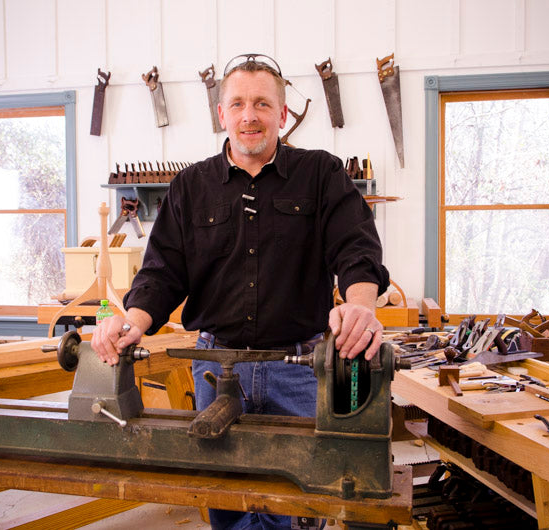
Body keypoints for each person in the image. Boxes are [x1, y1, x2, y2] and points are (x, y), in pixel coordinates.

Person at [91, 53, 390, 529]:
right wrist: (133, 322)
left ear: (283, 113)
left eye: (262, 104)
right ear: (222, 115)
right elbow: (162, 272)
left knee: (296, 505)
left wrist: (360, 307)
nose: (250, 115)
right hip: (216, 369)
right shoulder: (191, 187)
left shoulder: (321, 175)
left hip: (297, 369)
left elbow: (356, 247)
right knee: (226, 503)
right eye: (238, 104)